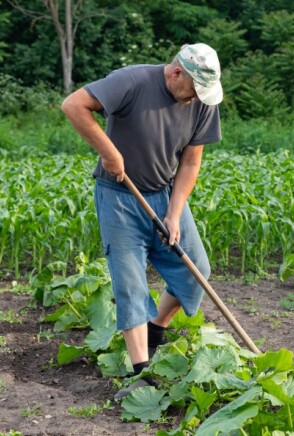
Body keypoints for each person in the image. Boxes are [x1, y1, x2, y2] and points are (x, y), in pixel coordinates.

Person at [61, 43, 223, 400]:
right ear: (177, 72)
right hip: (119, 196)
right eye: (194, 89)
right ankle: (141, 374)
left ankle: (154, 329)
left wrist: (175, 213)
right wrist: (109, 152)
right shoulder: (132, 81)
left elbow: (191, 163)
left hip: (164, 192)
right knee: (130, 283)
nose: (197, 98)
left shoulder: (202, 104)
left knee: (195, 270)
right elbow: (73, 105)